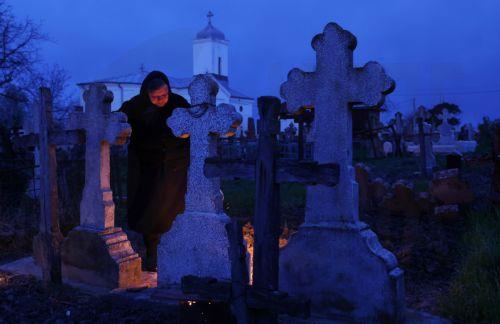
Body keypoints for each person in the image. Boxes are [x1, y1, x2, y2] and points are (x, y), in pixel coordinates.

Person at [119, 71, 190, 272]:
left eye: (164, 95)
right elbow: (120, 122)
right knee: (149, 213)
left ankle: (175, 252)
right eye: (155, 97)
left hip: (175, 169)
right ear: (147, 94)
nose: (161, 100)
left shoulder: (179, 105)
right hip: (146, 169)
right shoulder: (135, 107)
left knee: (173, 211)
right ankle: (152, 254)